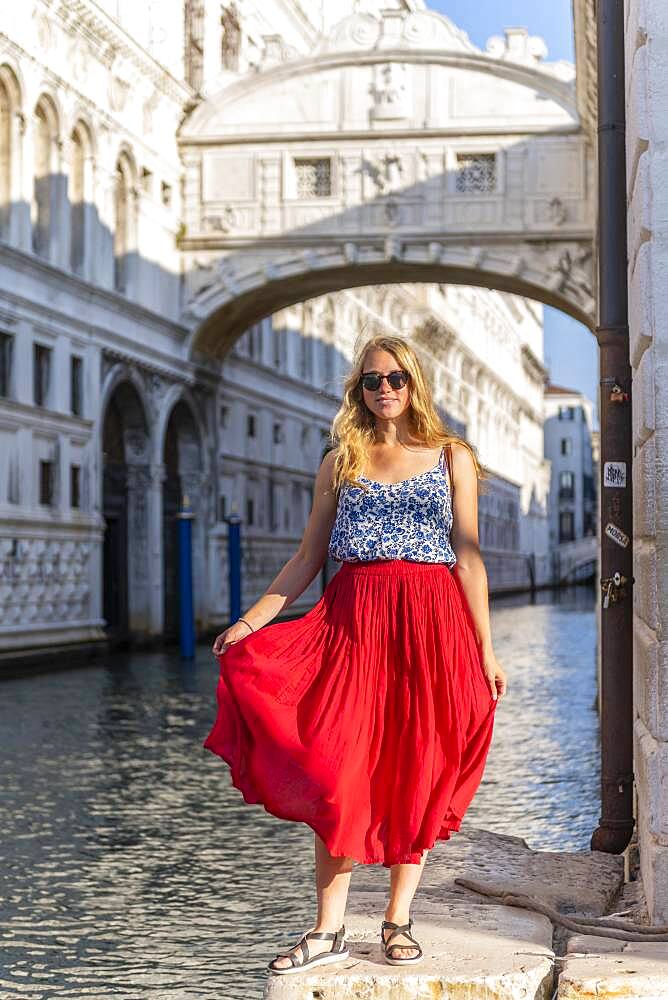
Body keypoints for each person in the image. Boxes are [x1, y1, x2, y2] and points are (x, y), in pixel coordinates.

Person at [205, 333, 507, 975]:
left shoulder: (455, 457)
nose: (385, 390)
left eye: (396, 378)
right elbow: (307, 558)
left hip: (431, 626)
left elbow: (470, 561)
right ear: (358, 391)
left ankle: (397, 921)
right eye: (372, 381)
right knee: (335, 770)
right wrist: (251, 621)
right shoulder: (339, 461)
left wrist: (485, 652)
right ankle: (328, 929)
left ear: (415, 383)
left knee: (417, 767)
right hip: (353, 624)